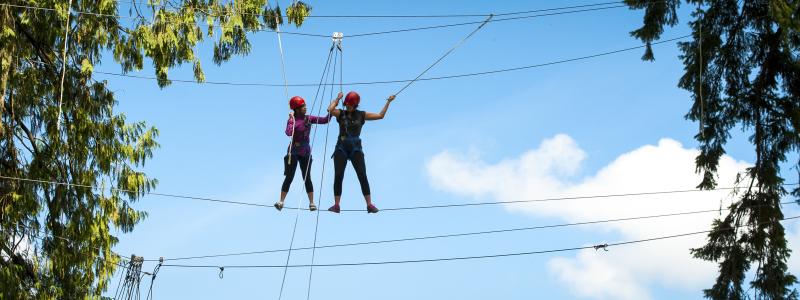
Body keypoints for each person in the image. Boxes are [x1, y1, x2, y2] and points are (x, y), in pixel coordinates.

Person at [326, 91, 395, 213]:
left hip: (355, 148)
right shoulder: (341, 113)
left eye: (350, 105)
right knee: (338, 175)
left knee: (362, 175)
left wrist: (388, 102)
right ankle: (336, 205)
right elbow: (330, 110)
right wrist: (337, 99)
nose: (348, 106)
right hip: (341, 147)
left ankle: (369, 204)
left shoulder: (361, 115)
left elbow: (380, 116)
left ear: (356, 105)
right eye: (346, 104)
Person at [274, 96, 330, 211]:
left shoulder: (308, 118)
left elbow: (325, 120)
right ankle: (281, 201)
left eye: (305, 106)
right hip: (293, 151)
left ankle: (311, 203)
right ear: (297, 109)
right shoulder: (293, 120)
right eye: (303, 106)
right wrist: (290, 121)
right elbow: (289, 133)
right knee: (289, 177)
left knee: (307, 177)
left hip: (305, 152)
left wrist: (332, 111)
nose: (306, 108)